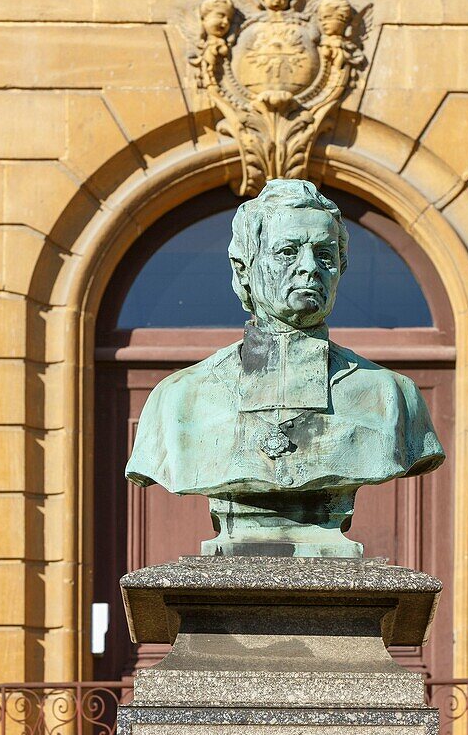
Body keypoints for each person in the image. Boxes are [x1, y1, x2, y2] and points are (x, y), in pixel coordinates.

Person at [126, 179, 444, 555]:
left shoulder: (392, 397)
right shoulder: (178, 399)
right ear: (244, 268)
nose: (309, 268)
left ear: (340, 269)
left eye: (325, 255)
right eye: (287, 252)